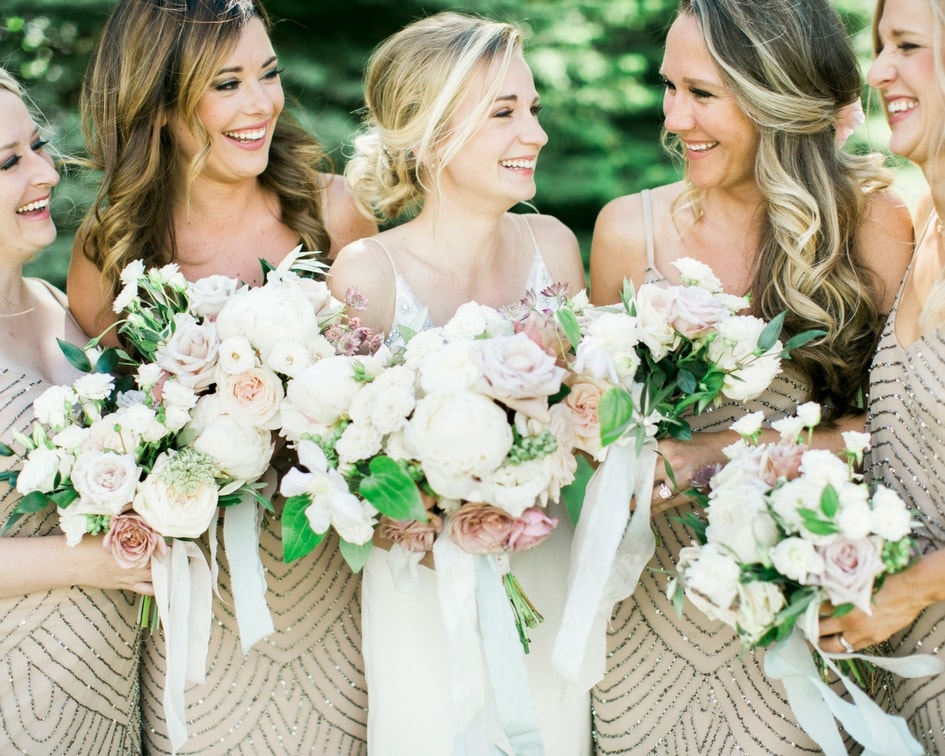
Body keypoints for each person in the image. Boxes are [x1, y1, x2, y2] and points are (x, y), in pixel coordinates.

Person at [588, 0, 914, 751]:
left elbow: (901, 437)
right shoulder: (624, 229)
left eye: (701, 94)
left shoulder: (872, 224)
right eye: (668, 89)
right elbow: (603, 437)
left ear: (775, 93)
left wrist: (714, 455)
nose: (674, 120)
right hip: (647, 620)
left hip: (802, 612)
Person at [66, 1, 377, 752]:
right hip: (192, 612)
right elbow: (107, 437)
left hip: (335, 585)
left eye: (267, 75)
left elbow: (377, 411)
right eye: (227, 83)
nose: (261, 103)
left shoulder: (334, 214)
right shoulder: (109, 248)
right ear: (161, 104)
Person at [329, 12, 590, 755]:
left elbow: (589, 422)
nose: (534, 133)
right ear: (432, 132)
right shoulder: (368, 275)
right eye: (503, 113)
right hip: (421, 596)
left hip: (547, 566)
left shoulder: (554, 249)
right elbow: (340, 463)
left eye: (532, 109)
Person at [0, 66, 153, 753]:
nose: (45, 174)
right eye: (9, 161)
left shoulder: (61, 304)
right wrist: (92, 562)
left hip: (111, 685)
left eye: (37, 147)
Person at [817, 0, 945, 749]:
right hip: (903, 689)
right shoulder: (917, 225)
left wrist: (905, 593)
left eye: (907, 45)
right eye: (878, 46)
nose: (877, 72)